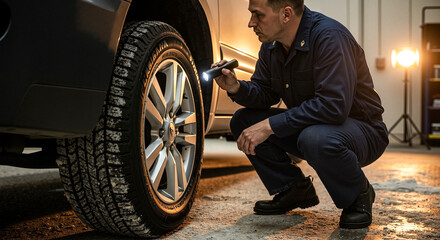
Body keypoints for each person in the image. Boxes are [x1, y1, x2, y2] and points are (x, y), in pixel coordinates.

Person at [211, 0, 389, 229]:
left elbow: (333, 106)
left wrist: (269, 126)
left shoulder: (330, 37)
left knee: (313, 138)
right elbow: (266, 93)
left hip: (362, 131)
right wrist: (236, 87)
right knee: (243, 121)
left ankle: (358, 195)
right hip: (312, 126)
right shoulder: (271, 46)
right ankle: (293, 189)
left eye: (258, 15)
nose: (250, 23)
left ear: (286, 14)